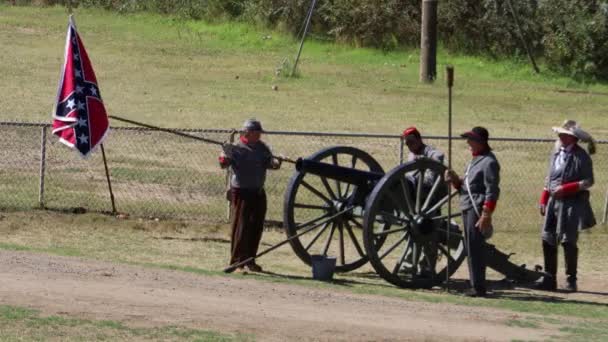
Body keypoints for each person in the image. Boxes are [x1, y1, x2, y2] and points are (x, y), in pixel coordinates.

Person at [536, 120, 596, 292]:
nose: (561, 137)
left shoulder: (581, 156)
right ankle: (549, 279)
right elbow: (549, 179)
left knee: (568, 241)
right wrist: (543, 199)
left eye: (565, 135)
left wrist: (567, 188)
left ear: (573, 138)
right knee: (547, 238)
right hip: (553, 202)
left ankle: (571, 279)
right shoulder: (555, 153)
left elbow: (588, 181)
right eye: (560, 134)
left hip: (571, 204)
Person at [220, 119, 281, 274]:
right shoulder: (237, 148)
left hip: (258, 191)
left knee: (256, 227)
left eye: (260, 132)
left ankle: (250, 260)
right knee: (241, 227)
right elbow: (223, 164)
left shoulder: (262, 148)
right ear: (248, 132)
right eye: (257, 132)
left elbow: (270, 164)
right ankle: (236, 262)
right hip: (241, 191)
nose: (259, 135)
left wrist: (277, 162)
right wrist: (224, 154)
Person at [445, 126, 500, 297]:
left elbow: (492, 191)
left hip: (477, 209)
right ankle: (475, 283)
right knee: (471, 247)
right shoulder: (476, 160)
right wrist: (454, 179)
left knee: (475, 248)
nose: (468, 142)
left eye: (471, 140)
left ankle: (478, 287)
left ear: (481, 142)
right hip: (468, 206)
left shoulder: (489, 162)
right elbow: (466, 186)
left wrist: (486, 215)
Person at [402, 126, 445, 277]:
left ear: (419, 139)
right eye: (406, 143)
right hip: (415, 202)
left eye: (411, 142)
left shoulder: (432, 153)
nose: (409, 146)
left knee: (429, 235)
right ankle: (408, 264)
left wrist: (425, 161)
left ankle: (427, 268)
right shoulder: (411, 156)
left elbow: (430, 179)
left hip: (430, 201)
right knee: (411, 232)